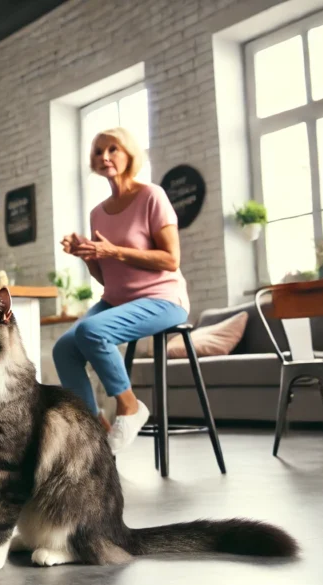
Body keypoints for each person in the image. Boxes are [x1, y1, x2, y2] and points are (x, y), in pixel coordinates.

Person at [52, 127, 190, 454]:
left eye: (113, 149)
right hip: (118, 300)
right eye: (99, 151)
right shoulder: (98, 212)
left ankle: (129, 406)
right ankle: (94, 432)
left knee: (90, 331)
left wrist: (115, 251)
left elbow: (171, 259)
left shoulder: (151, 196)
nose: (105, 156)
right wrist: (86, 255)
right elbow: (107, 279)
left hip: (163, 299)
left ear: (129, 155)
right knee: (64, 349)